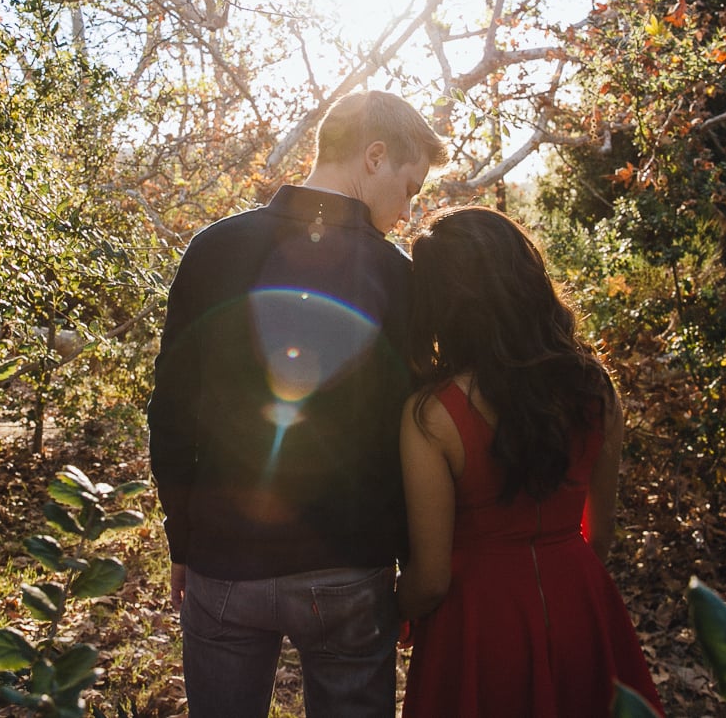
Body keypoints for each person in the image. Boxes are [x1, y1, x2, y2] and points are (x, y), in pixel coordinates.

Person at [148, 91, 448, 718]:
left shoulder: (214, 248)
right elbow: (415, 429)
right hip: (349, 569)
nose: (409, 205)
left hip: (224, 559)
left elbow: (172, 408)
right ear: (374, 156)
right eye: (411, 184)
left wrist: (183, 535)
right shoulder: (399, 279)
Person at [396, 207, 665, 718]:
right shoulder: (595, 387)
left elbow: (430, 578)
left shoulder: (432, 415)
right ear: (527, 278)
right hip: (581, 604)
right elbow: (600, 535)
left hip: (477, 622)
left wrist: (391, 612)